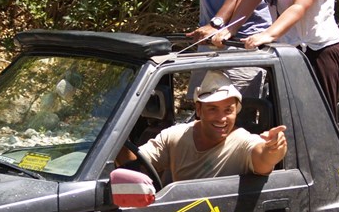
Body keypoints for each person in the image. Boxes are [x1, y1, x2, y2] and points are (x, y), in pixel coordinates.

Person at [118, 70, 287, 184]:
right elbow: (135, 165)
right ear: (198, 110)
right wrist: (116, 137)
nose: (221, 118)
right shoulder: (175, 135)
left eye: (228, 110)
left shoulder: (243, 141)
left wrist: (274, 148)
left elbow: (263, 160)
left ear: (236, 111)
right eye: (212, 109)